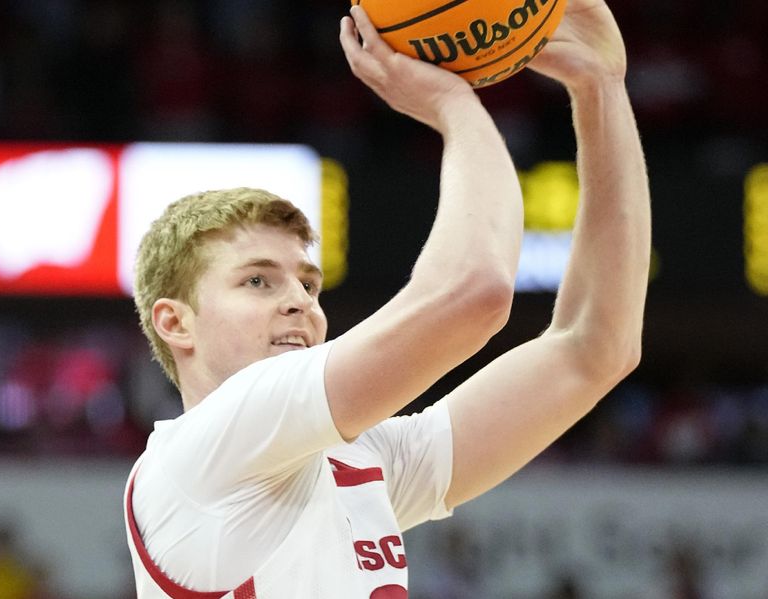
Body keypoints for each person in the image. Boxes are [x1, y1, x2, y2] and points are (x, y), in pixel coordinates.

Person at [123, 1, 651, 597]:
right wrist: (454, 106)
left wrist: (601, 89)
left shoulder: (358, 461)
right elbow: (473, 293)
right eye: (258, 281)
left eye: (307, 283)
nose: (299, 301)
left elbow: (594, 349)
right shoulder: (199, 456)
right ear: (176, 322)